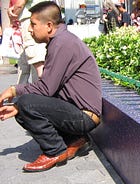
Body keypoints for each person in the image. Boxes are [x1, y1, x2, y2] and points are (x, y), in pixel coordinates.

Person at [0, 1, 102, 172]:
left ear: (48, 25)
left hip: (84, 116)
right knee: (22, 107)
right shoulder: (60, 41)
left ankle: (55, 150)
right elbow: (49, 90)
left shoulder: (63, 43)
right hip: (78, 112)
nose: (30, 29)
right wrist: (17, 106)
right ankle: (74, 140)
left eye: (33, 24)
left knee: (26, 103)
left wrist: (13, 90)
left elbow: (46, 89)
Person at [8, 0, 47, 83]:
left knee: (33, 56)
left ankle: (38, 92)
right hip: (38, 16)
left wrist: (13, 14)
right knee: (26, 60)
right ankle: (24, 91)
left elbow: (21, 3)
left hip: (31, 18)